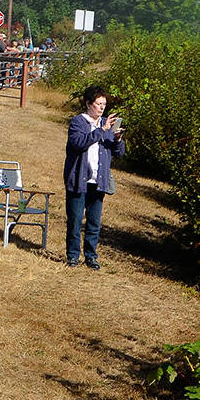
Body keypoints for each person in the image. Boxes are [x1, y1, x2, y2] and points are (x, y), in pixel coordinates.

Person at [64, 86, 125, 269]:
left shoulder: (107, 123)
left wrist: (118, 139)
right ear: (88, 104)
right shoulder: (77, 122)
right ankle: (73, 256)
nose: (102, 108)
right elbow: (79, 143)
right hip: (79, 178)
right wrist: (102, 130)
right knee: (75, 220)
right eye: (98, 104)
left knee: (94, 222)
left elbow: (119, 153)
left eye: (104, 104)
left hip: (98, 181)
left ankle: (91, 257)